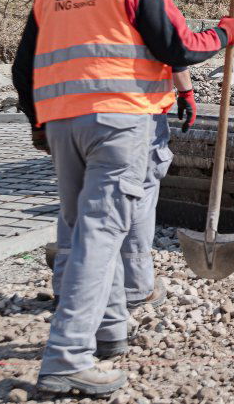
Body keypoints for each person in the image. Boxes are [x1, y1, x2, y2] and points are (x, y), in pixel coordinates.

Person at [12, 0, 234, 397]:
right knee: (100, 235)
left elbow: (22, 68)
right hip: (120, 123)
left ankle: (111, 327)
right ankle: (67, 357)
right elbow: (178, 46)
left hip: (64, 126)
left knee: (84, 227)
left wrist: (39, 124)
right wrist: (225, 33)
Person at [49, 68, 196, 310]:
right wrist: (186, 91)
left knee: (76, 195)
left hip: (70, 109)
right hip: (134, 109)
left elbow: (26, 64)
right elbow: (175, 51)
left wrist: (38, 121)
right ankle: (134, 287)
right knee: (138, 193)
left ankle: (68, 287)